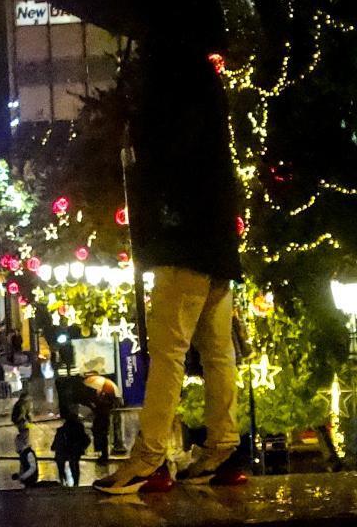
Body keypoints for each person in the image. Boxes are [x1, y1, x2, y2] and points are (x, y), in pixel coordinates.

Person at [94, 32, 243, 495]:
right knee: (218, 350)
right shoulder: (207, 80)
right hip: (216, 237)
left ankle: (148, 456)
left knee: (168, 350)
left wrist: (136, 122)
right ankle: (222, 446)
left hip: (185, 238)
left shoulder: (175, 84)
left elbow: (170, 156)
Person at [52, 411, 91, 487]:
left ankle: (65, 481)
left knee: (68, 464)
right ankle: (74, 482)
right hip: (72, 449)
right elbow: (86, 439)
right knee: (73, 465)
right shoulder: (76, 427)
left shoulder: (65, 429)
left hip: (71, 449)